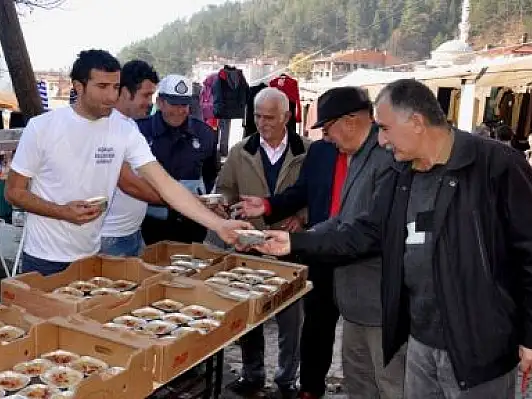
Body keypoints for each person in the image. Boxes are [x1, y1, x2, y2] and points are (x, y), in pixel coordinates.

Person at [253, 79, 532, 399]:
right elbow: (366, 231)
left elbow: (529, 251)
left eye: (385, 128)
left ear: (415, 122)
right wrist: (295, 243)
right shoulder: (403, 174)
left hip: (479, 343)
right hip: (418, 336)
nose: (381, 140)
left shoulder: (496, 165)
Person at [5, 50, 249, 276]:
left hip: (92, 255)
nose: (111, 96)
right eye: (102, 86)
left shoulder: (125, 130)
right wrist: (62, 212)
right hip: (44, 258)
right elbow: (14, 192)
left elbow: (164, 183)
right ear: (78, 87)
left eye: (115, 86)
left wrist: (219, 225)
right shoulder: (42, 127)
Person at [237, 87, 405, 399]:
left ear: (350, 122)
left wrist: (297, 239)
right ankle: (310, 390)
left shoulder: (387, 157)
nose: (325, 137)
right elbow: (308, 194)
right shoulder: (323, 151)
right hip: (323, 250)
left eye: (327, 129)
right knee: (318, 329)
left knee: (383, 370)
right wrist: (271, 209)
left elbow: (366, 229)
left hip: (367, 274)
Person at [211, 88, 307, 399]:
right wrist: (224, 204)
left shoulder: (307, 151)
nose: (262, 123)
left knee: (291, 320)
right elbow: (225, 188)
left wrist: (303, 217)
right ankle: (252, 374)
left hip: (289, 247)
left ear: (286, 117)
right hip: (250, 246)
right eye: (257, 116)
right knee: (250, 315)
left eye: (269, 117)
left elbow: (318, 193)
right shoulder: (241, 151)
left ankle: (287, 379)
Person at [138, 74, 219, 245]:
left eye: (185, 104)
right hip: (150, 224)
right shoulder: (140, 132)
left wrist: (197, 196)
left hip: (191, 225)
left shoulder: (205, 134)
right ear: (160, 102)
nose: (180, 110)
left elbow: (210, 172)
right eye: (174, 104)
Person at [100, 60, 160, 256]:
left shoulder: (130, 125)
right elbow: (128, 183)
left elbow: (150, 173)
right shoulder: (108, 125)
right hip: (110, 237)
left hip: (132, 233)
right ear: (125, 92)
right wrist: (175, 201)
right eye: (146, 95)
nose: (150, 102)